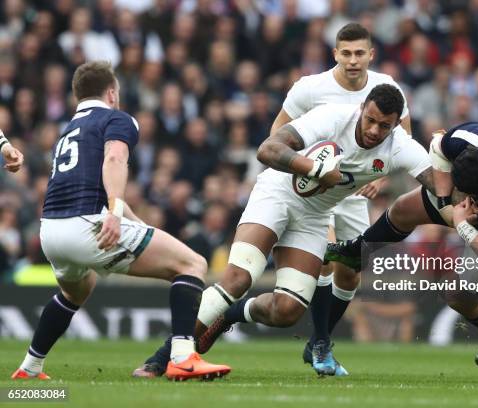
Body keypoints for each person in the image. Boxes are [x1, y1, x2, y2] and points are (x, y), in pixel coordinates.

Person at [136, 22, 415, 378]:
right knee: (317, 263)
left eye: (360, 53)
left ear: (371, 54)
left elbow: (402, 142)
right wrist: (310, 172)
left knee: (349, 275)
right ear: (335, 54)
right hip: (306, 189)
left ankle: (316, 339)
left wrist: (381, 176)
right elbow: (275, 135)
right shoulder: (311, 88)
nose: (353, 60)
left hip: (353, 190)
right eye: (346, 53)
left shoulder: (388, 91)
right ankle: (170, 356)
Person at [11, 61, 230, 381]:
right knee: (192, 264)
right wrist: (114, 213)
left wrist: (133, 221)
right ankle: (183, 357)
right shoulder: (117, 118)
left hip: (51, 231)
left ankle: (30, 366)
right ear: (112, 92)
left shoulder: (67, 130)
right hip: (89, 225)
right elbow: (115, 159)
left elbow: (85, 183)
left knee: (77, 290)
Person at [195, 84, 433, 376]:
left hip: (315, 213)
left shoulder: (400, 146)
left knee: (287, 311)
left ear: (396, 125)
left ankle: (234, 314)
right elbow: (267, 149)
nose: (373, 130)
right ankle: (169, 355)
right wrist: (315, 168)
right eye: (370, 120)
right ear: (361, 109)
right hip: (278, 192)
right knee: (239, 277)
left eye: (384, 125)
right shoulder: (331, 113)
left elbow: (440, 185)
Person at [326, 121, 478, 366]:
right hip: (466, 199)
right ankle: (356, 253)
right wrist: (446, 202)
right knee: (402, 210)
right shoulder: (469, 140)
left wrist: (462, 224)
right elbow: (438, 148)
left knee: (454, 294)